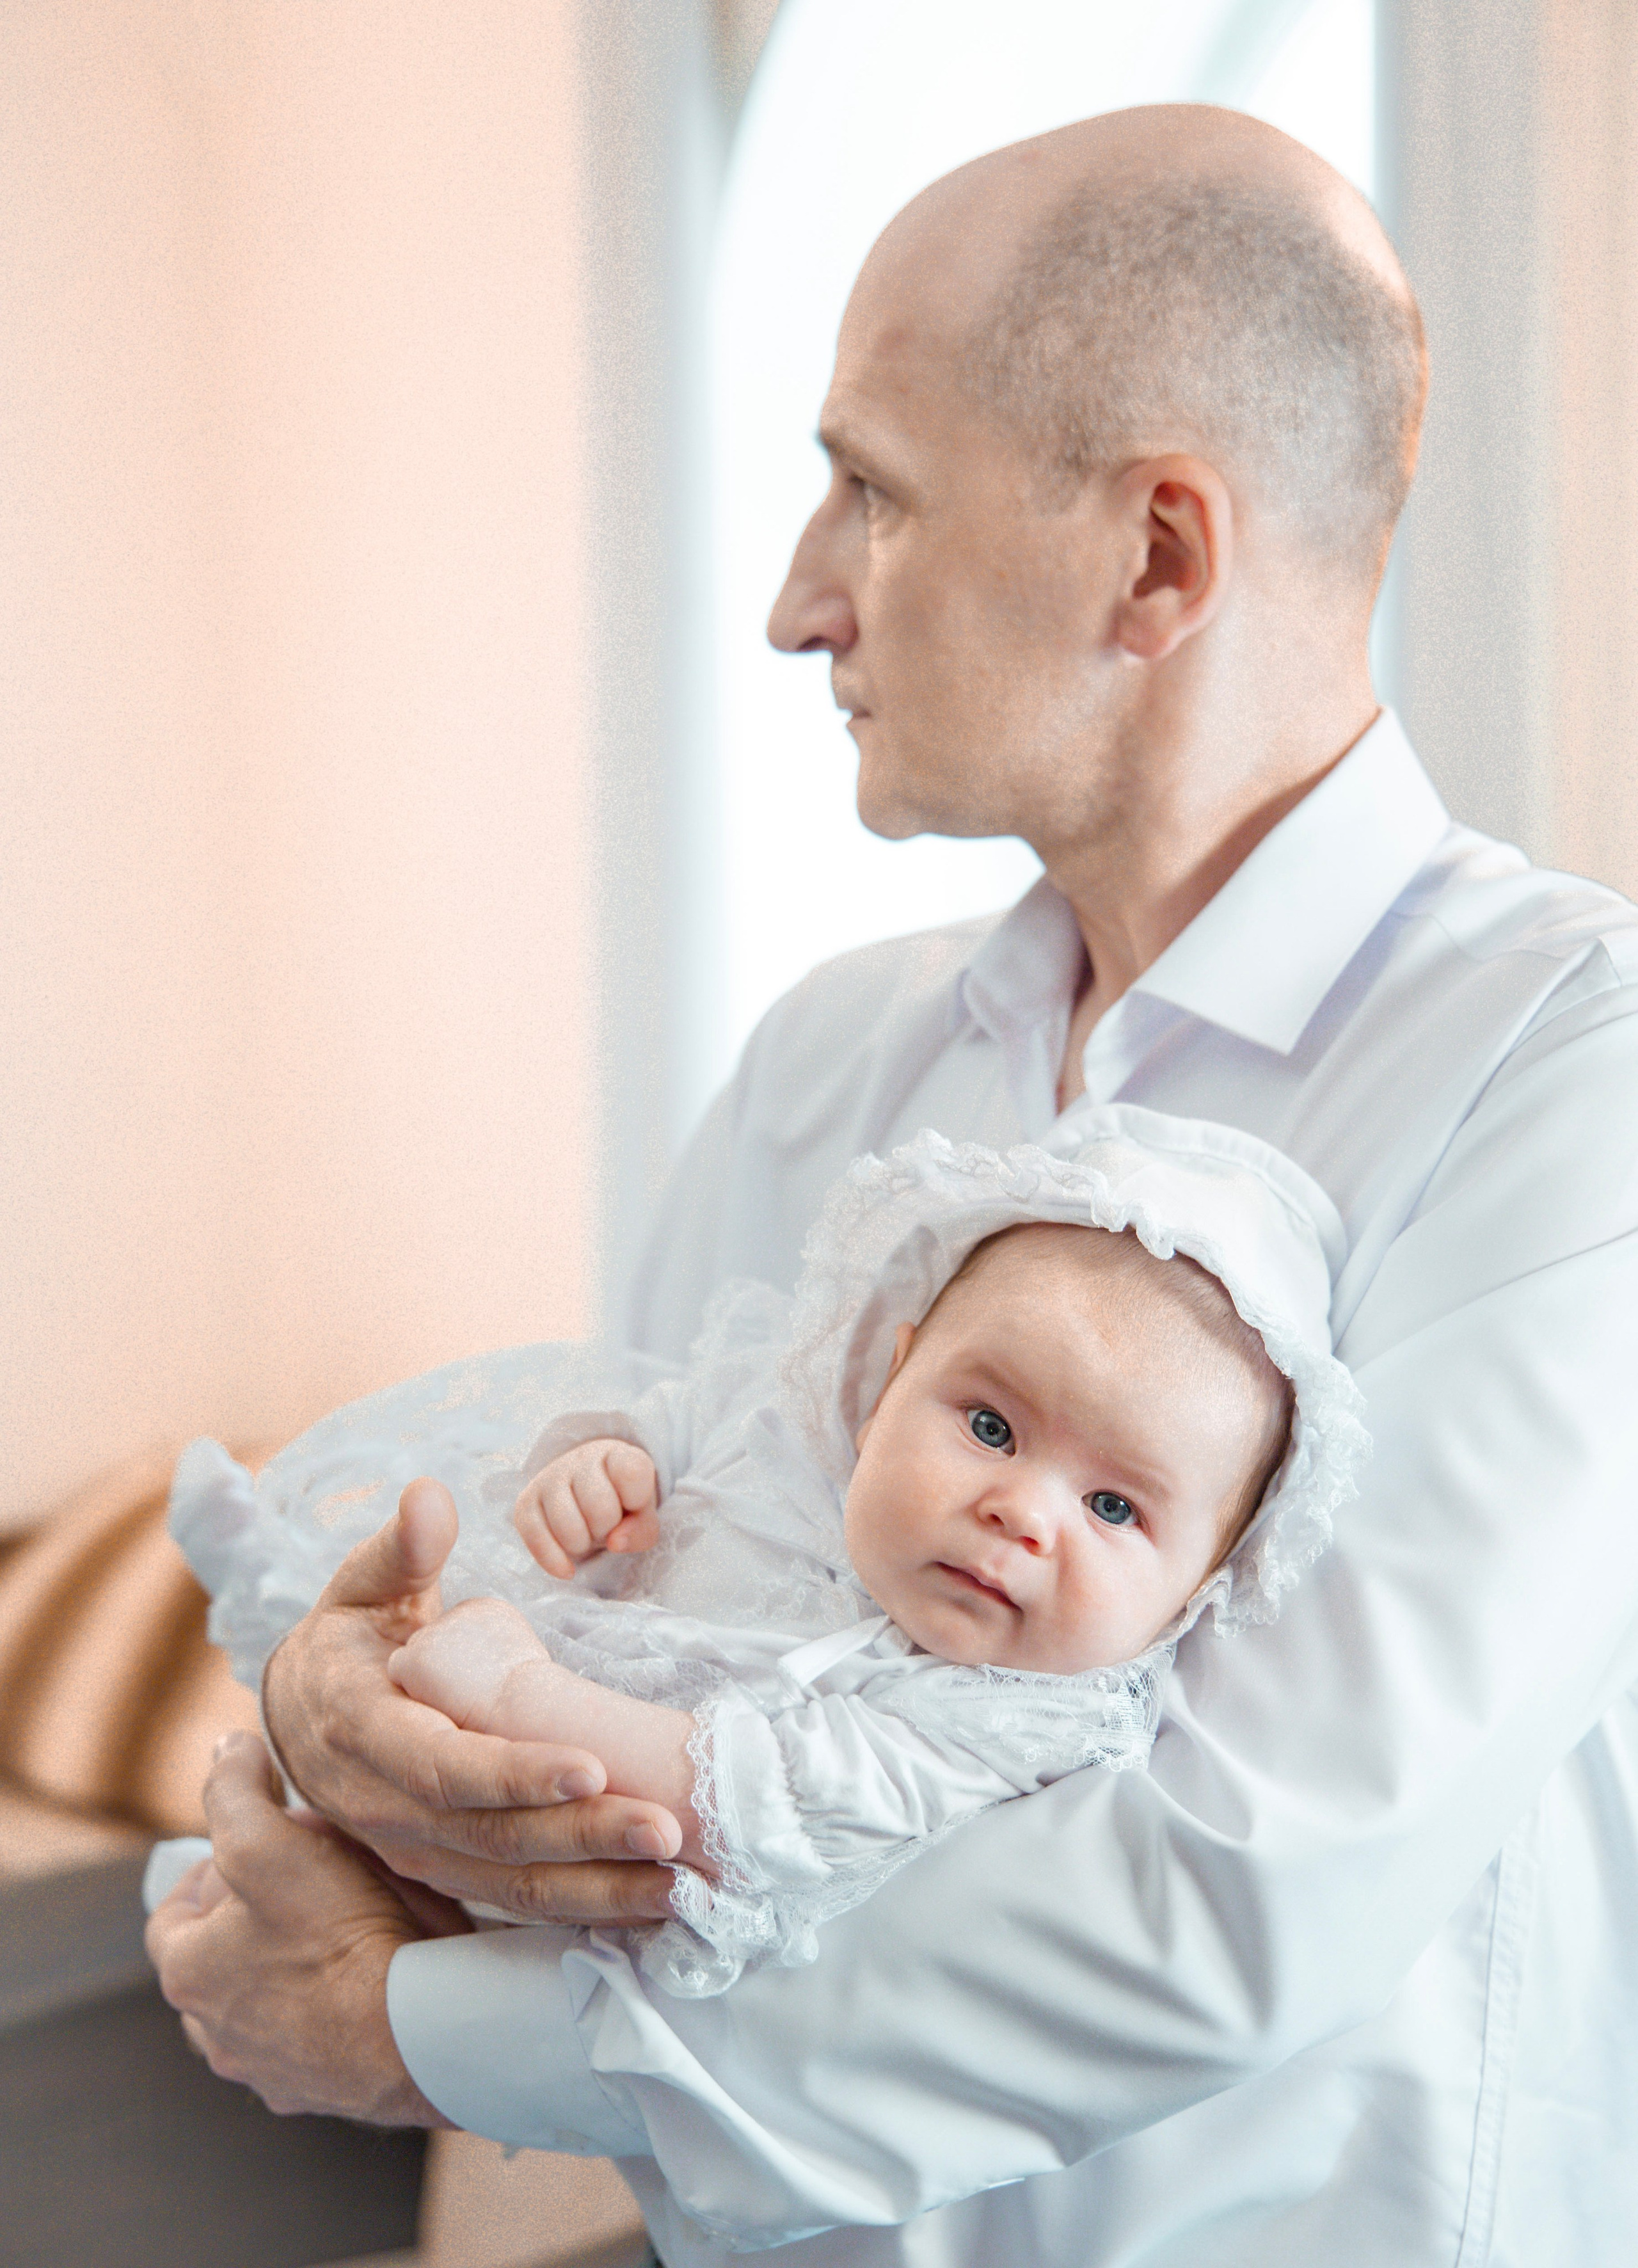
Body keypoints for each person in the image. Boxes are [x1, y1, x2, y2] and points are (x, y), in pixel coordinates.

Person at [147, 101, 1638, 2263]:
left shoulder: (1569, 1074)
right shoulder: (825, 1062)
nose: (791, 601)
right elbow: (628, 1606)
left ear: (1158, 561)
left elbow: (1232, 1890)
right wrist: (346, 1720)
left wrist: (420, 2025)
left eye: (869, 488)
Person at [158, 1115, 1362, 1998]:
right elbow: (674, 1419)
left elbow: (747, 1801)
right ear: (889, 1386)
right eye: (989, 1428)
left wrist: (519, 1693)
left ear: (1200, 1590)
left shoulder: (1007, 1720)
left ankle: (258, 1839)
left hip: (574, 1834)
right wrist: (599, 1459)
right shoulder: (799, 1438)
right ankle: (261, 1555)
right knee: (341, 1668)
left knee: (388, 1892)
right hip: (529, 1640)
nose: (1022, 1513)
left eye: (1113, 1508)